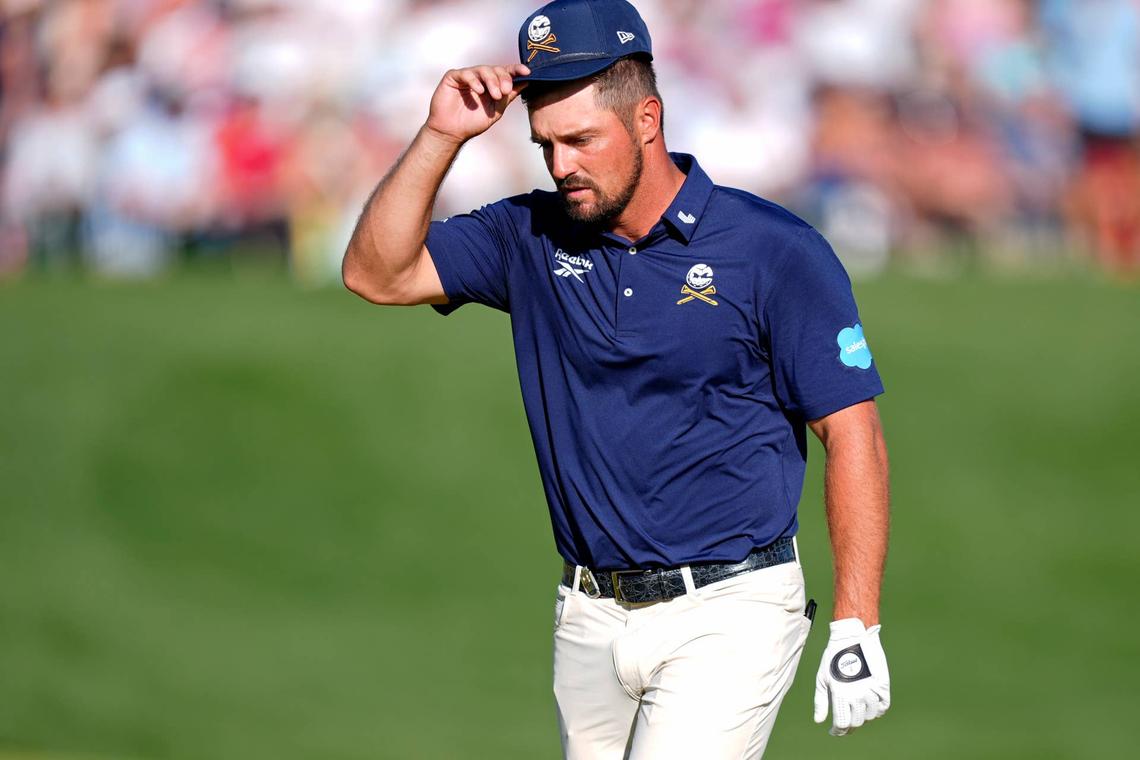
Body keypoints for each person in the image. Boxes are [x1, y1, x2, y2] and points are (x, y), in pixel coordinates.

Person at [342, 1, 891, 757]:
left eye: (580, 140)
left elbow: (850, 429)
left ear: (647, 120)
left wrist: (857, 620)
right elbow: (376, 273)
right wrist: (441, 136)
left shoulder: (772, 250)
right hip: (588, 616)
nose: (562, 164)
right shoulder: (528, 236)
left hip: (732, 609)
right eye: (545, 145)